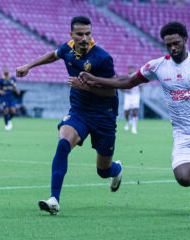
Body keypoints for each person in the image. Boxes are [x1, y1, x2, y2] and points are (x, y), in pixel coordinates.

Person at [69, 22, 190, 221]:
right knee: (184, 178)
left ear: (185, 40)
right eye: (168, 44)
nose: (173, 48)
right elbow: (126, 81)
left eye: (176, 43)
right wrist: (95, 80)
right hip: (182, 132)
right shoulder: (158, 66)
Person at [16, 16, 123, 215]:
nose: (84, 38)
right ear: (71, 35)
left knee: (103, 171)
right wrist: (28, 66)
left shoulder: (103, 58)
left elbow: (111, 92)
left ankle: (116, 170)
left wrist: (85, 86)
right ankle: (54, 199)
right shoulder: (67, 48)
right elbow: (53, 55)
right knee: (63, 143)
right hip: (79, 111)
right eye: (80, 34)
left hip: (104, 116)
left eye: (88, 34)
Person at [123, 66, 142, 134]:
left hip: (135, 96)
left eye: (132, 69)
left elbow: (141, 88)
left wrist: (140, 89)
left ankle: (134, 127)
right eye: (130, 69)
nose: (131, 70)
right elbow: (122, 88)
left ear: (134, 70)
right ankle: (128, 122)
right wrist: (125, 90)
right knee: (126, 112)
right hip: (128, 96)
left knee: (135, 110)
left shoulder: (137, 78)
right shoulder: (126, 78)